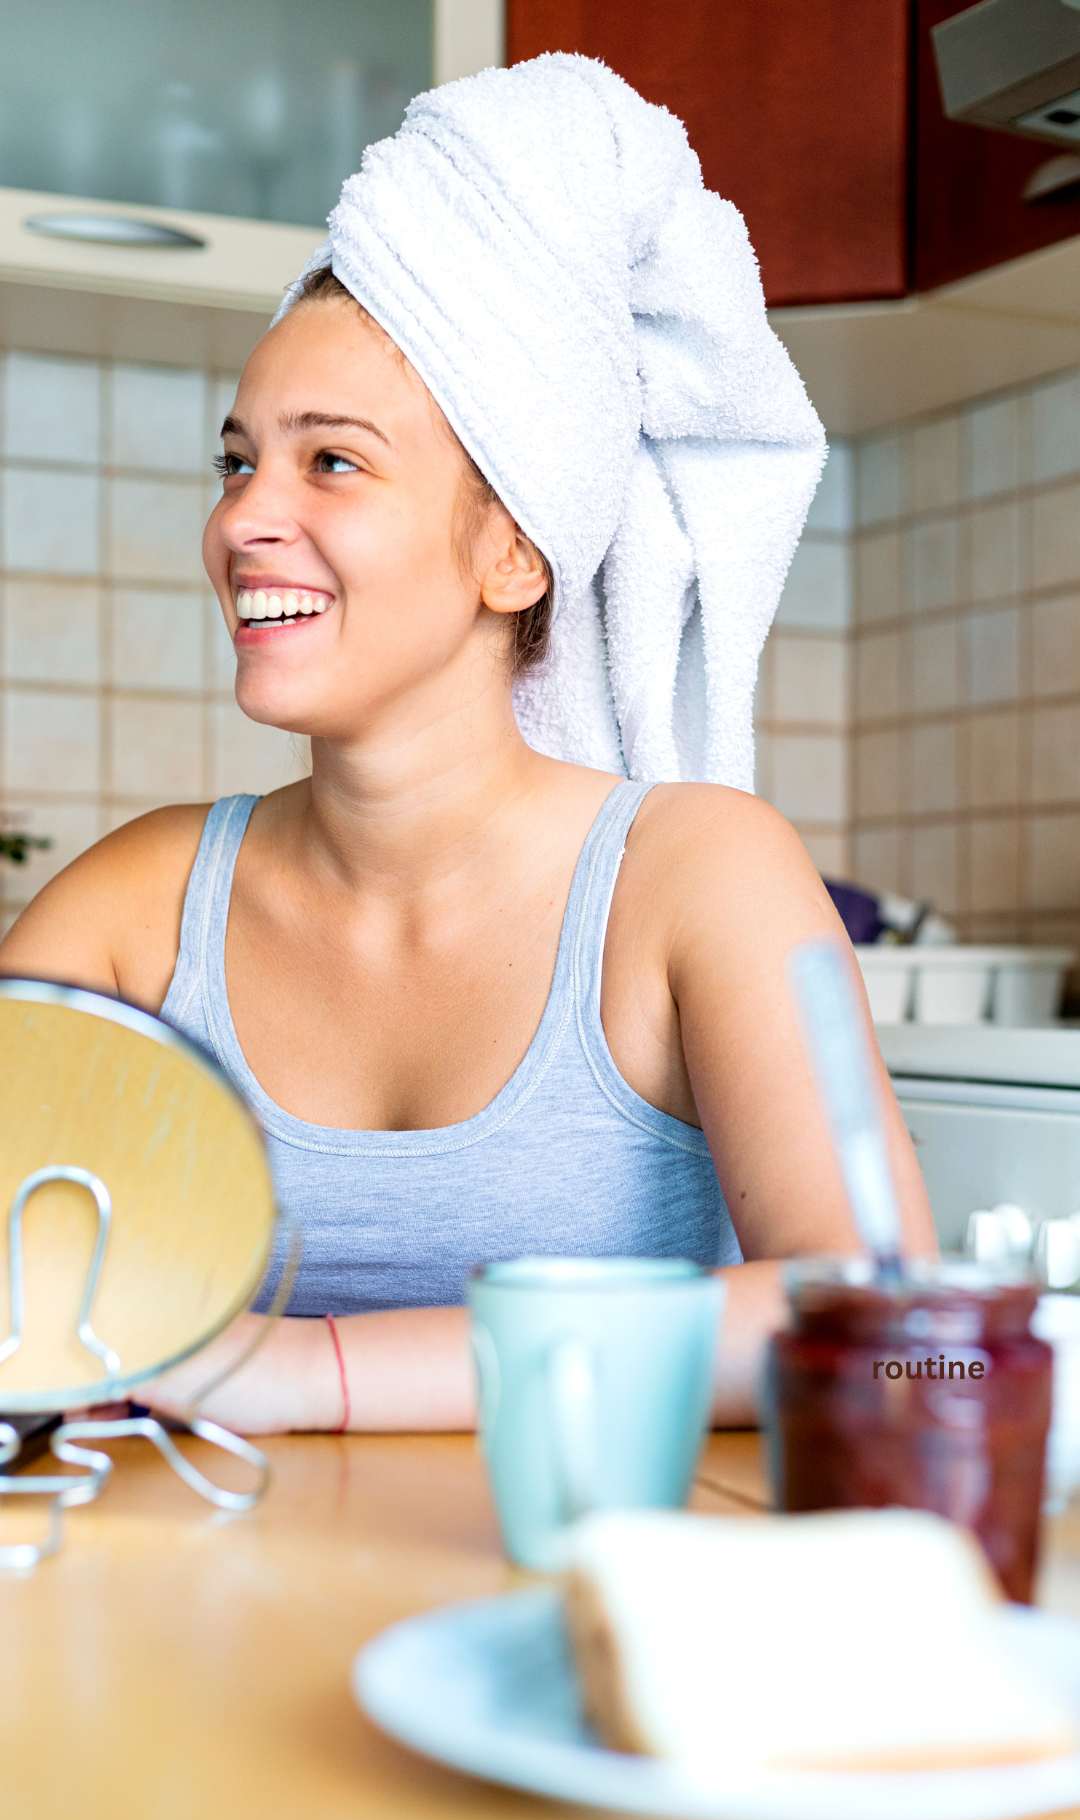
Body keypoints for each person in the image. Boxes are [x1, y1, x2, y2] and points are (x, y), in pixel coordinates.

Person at [0, 67, 938, 1437]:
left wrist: (302, 1371)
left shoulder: (696, 877)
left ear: (511, 549)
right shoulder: (136, 909)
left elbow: (892, 1325)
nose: (245, 520)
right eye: (237, 460)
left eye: (331, 464)